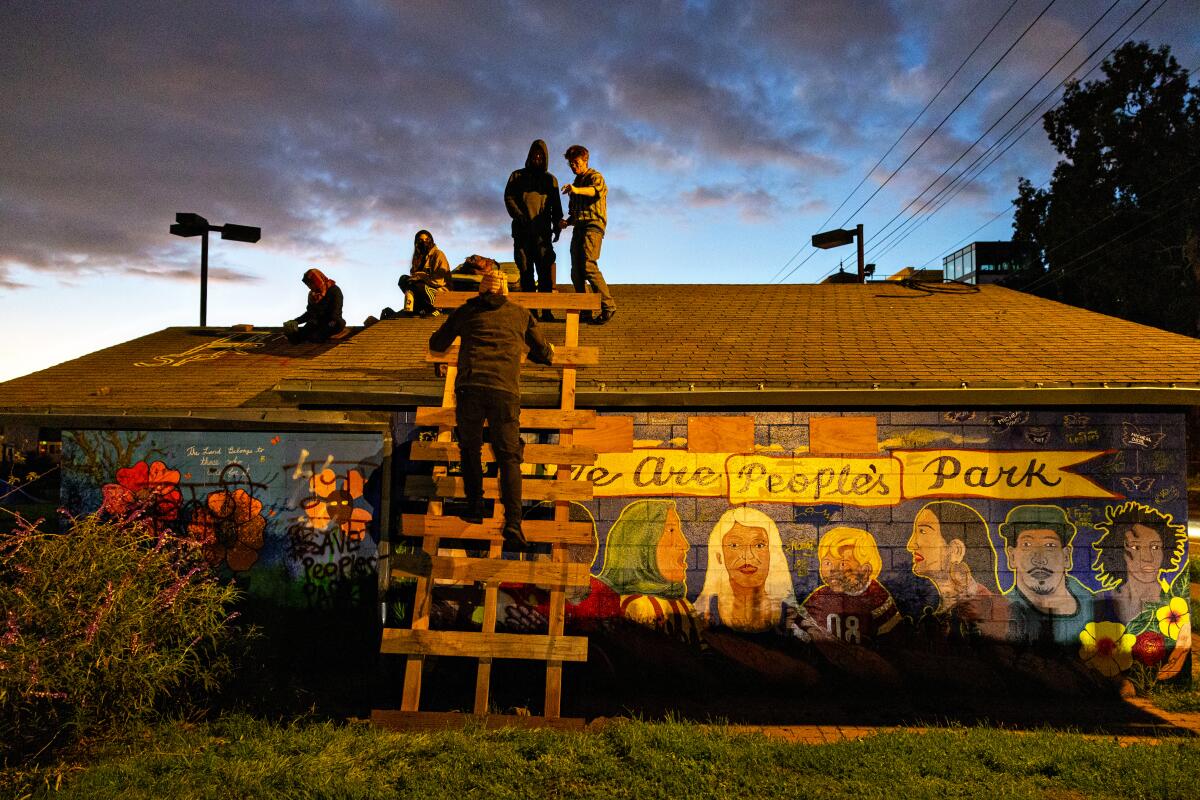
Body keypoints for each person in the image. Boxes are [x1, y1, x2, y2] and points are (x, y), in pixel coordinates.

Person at [428, 265, 553, 546]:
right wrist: (534, 355)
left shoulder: (467, 311)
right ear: (506, 291)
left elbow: (437, 344)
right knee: (509, 457)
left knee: (469, 449)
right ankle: (513, 523)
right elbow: (544, 352)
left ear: (480, 290)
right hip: (504, 391)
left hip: (470, 388)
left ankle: (474, 507)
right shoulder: (520, 314)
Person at [695, 506, 820, 639]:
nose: (748, 556)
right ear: (719, 556)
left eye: (759, 545)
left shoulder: (790, 616)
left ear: (771, 554)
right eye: (734, 545)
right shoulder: (704, 613)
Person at [592, 499, 702, 645]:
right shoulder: (636, 606)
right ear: (642, 546)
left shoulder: (681, 602)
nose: (684, 544)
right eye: (671, 530)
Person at [907, 501, 1008, 641]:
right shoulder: (938, 605)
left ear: (956, 550)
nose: (911, 544)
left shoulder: (990, 609)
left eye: (923, 531)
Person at [998, 505, 1093, 646]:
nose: (1039, 559)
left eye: (1050, 545)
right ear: (1012, 556)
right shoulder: (1004, 612)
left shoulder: (1092, 604)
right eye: (1027, 544)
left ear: (1066, 556)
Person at [801, 526, 902, 644]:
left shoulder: (877, 597)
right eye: (827, 563)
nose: (833, 570)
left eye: (843, 564)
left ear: (865, 571)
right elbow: (800, 628)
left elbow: (893, 639)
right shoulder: (820, 596)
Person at [1091, 501, 1187, 623]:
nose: (1148, 558)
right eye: (1136, 547)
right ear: (1118, 552)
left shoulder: (1175, 604)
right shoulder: (1101, 600)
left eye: (1155, 547)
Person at [505, 139, 563, 321]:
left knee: (545, 272)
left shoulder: (550, 180)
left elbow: (556, 206)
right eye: (534, 154)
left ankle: (546, 311)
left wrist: (557, 229)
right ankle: (530, 313)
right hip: (522, 233)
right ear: (530, 156)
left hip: (542, 234)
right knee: (525, 272)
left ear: (545, 158)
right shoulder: (517, 176)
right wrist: (520, 216)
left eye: (541, 155)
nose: (537, 157)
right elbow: (508, 197)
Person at [560, 144, 615, 324]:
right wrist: (567, 222)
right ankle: (585, 309)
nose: (574, 167)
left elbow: (594, 191)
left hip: (593, 225)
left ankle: (608, 306)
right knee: (576, 271)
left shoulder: (595, 176)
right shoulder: (575, 184)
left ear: (585, 160)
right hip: (579, 227)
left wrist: (576, 190)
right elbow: (575, 213)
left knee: (588, 265)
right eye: (571, 164)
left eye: (576, 163)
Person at [399, 229, 451, 317]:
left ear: (431, 240)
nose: (424, 242)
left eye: (427, 240)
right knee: (404, 279)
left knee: (419, 284)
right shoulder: (417, 258)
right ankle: (416, 308)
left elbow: (440, 281)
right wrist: (413, 279)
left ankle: (437, 308)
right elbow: (414, 276)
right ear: (416, 243)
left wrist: (422, 277)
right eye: (420, 240)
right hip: (425, 289)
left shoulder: (438, 254)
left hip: (440, 292)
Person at [284, 268, 345, 342]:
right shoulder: (312, 295)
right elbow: (310, 313)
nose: (309, 287)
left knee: (337, 324)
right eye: (308, 285)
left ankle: (315, 336)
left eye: (311, 284)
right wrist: (295, 321)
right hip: (317, 323)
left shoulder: (334, 290)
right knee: (295, 337)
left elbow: (336, 310)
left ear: (317, 281)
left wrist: (325, 321)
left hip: (331, 322)